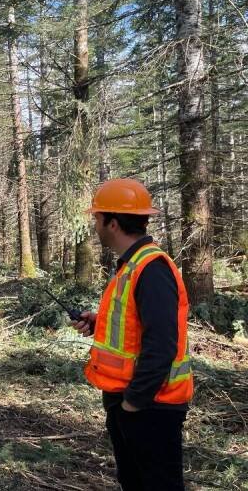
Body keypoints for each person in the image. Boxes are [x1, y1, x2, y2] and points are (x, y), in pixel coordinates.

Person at [72, 178, 193, 491]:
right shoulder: (132, 265)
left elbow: (163, 345)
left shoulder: (152, 269)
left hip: (150, 407)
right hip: (131, 402)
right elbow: (137, 326)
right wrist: (100, 322)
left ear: (112, 223)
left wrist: (133, 405)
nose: (94, 225)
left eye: (97, 218)